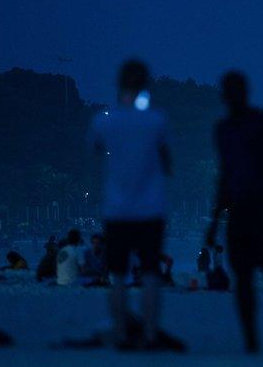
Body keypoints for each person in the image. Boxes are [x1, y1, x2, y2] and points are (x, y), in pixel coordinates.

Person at [205, 71, 263, 355]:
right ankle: (252, 341)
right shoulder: (223, 130)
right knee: (245, 279)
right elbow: (225, 177)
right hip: (240, 214)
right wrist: (214, 220)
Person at [89, 59, 173, 349]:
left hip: (117, 209)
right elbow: (166, 160)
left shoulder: (104, 120)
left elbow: (96, 149)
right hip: (151, 209)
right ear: (146, 84)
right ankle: (150, 333)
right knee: (150, 274)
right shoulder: (157, 120)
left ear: (119, 84)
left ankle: (122, 333)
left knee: (118, 275)